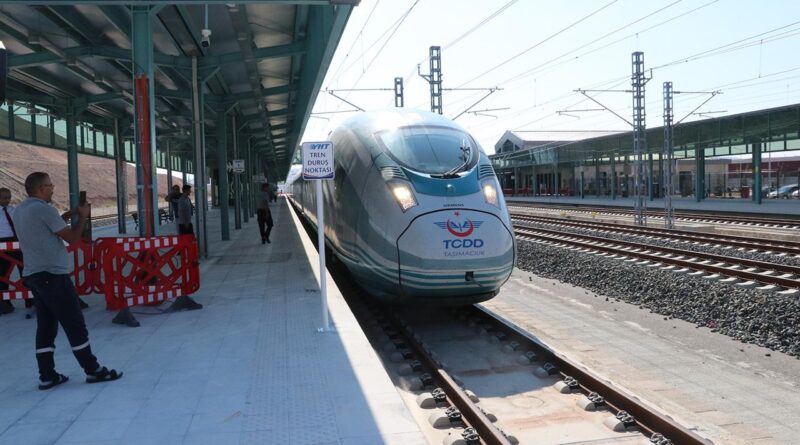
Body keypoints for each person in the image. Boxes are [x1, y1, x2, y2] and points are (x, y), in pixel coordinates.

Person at [13, 172, 122, 390]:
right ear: (41, 188)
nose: (53, 188)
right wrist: (83, 217)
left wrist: (70, 214)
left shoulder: (20, 210)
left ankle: (47, 375)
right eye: (50, 185)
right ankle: (93, 370)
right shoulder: (44, 209)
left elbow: (49, 226)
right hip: (53, 275)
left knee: (45, 327)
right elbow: (72, 238)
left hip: (34, 275)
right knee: (75, 324)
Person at [0, 187, 24, 315]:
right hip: (2, 244)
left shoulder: (13, 210)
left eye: (9, 197)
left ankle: (30, 300)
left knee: (25, 271)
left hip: (17, 241)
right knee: (3, 275)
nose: (7, 200)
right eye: (4, 198)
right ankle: (4, 304)